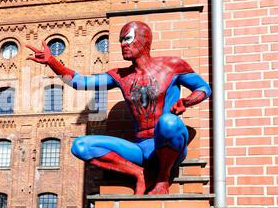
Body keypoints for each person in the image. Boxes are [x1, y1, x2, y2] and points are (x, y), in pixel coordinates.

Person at [26, 21, 211, 195]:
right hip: (140, 148)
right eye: (121, 40)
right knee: (80, 146)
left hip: (168, 144)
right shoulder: (119, 76)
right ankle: (140, 174)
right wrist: (53, 63)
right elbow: (80, 82)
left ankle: (162, 179)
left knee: (168, 122)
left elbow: (204, 88)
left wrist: (187, 101)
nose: (123, 44)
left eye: (128, 39)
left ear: (144, 39)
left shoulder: (172, 66)